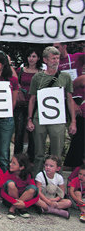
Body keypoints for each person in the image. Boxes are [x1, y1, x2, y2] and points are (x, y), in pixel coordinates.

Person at [27, 46, 77, 175]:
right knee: (38, 153)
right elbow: (32, 99)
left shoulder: (65, 77)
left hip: (57, 118)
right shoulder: (37, 77)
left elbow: (69, 99)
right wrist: (30, 119)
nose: (55, 61)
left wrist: (73, 121)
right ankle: (37, 179)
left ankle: (56, 180)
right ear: (45, 60)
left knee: (57, 153)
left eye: (57, 58)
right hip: (40, 118)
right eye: (53, 58)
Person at [0, 154, 38, 219]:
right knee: (10, 184)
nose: (10, 164)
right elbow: (2, 193)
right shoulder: (8, 173)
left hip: (23, 202)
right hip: (9, 201)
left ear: (21, 167)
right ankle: (19, 208)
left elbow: (36, 196)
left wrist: (25, 204)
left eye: (14, 163)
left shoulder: (28, 175)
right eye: (11, 162)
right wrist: (15, 202)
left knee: (33, 188)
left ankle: (13, 208)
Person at [14, 48, 41, 160]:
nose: (31, 59)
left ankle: (30, 160)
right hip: (21, 104)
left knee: (32, 133)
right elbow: (14, 82)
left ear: (38, 58)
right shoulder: (21, 70)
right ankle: (17, 157)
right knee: (19, 131)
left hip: (35, 105)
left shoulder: (41, 73)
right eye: (30, 56)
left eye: (34, 56)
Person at [64, 74, 85, 168]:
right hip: (82, 115)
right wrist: (73, 104)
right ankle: (72, 166)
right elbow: (67, 90)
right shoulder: (82, 78)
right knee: (78, 141)